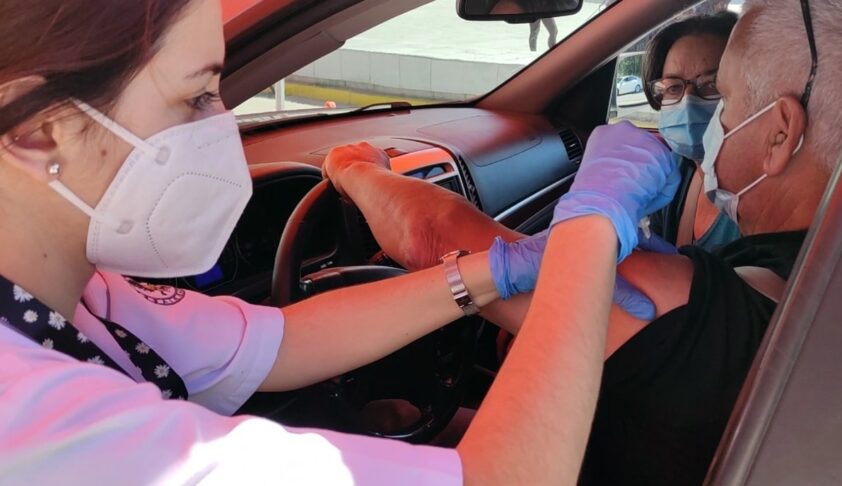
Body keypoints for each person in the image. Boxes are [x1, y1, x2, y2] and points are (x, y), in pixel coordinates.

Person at [0, 0, 679, 484]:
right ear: (42, 133)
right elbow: (502, 476)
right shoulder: (32, 424)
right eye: (198, 95)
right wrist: (586, 232)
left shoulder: (80, 295)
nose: (223, 124)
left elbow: (283, 343)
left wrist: (491, 270)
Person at [330, 0, 842, 482]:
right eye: (674, 89)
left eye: (723, 97)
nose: (711, 123)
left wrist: (351, 166)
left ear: (780, 135)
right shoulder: (808, 275)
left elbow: (430, 239)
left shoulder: (706, 311)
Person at [644, 11, 742, 251]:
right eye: (673, 87)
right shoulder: (673, 171)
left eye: (711, 84)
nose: (688, 101)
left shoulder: (763, 195)